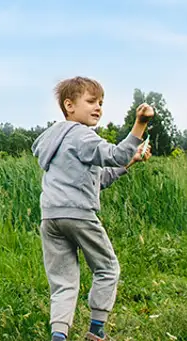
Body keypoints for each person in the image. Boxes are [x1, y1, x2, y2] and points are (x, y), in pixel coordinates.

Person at [32, 77, 153, 341]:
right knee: (107, 268)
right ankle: (96, 332)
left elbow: (101, 179)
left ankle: (59, 335)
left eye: (101, 103)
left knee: (63, 282)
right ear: (69, 105)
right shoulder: (82, 135)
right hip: (79, 215)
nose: (98, 108)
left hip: (51, 217)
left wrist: (129, 162)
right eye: (90, 101)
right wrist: (140, 124)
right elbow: (116, 154)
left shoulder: (57, 141)